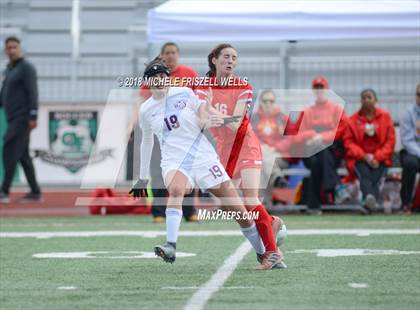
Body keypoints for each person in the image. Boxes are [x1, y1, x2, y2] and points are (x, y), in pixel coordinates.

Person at [130, 58, 285, 269]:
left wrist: (220, 118)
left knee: (239, 212)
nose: (160, 81)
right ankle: (171, 245)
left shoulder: (184, 93)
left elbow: (204, 113)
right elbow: (146, 142)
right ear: (148, 82)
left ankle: (264, 253)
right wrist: (142, 177)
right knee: (176, 189)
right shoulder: (146, 110)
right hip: (174, 160)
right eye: (155, 78)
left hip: (202, 156)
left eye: (163, 77)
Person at [196, 43, 285, 269]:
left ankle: (272, 252)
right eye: (226, 56)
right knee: (229, 206)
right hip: (224, 148)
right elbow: (200, 120)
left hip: (245, 143)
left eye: (234, 58)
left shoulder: (243, 86)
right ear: (214, 60)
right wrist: (205, 112)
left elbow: (236, 124)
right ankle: (271, 223)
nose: (231, 61)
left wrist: (210, 111)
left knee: (250, 199)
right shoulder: (203, 85)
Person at [129, 42, 199, 223]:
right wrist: (132, 126)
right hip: (160, 132)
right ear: (162, 55)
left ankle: (189, 210)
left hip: (184, 133)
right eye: (167, 53)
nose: (171, 55)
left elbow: (199, 100)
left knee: (188, 169)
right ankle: (159, 212)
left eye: (174, 52)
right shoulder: (152, 75)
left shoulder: (189, 75)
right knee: (158, 170)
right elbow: (142, 104)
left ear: (178, 54)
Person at [294, 76, 349, 213]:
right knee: (319, 155)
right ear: (313, 91)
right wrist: (313, 135)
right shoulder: (307, 111)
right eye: (316, 88)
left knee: (317, 161)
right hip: (311, 150)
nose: (319, 91)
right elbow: (298, 134)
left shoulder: (336, 109)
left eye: (321, 87)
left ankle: (313, 205)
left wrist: (322, 137)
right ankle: (336, 187)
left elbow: (343, 129)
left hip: (331, 152)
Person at [0, 36, 41, 203]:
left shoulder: (26, 68)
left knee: (9, 150)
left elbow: (33, 92)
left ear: (20, 48)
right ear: (5, 50)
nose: (11, 50)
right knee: (23, 156)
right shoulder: (9, 69)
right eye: (9, 48)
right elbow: (3, 94)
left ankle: (4, 190)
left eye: (14, 47)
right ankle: (35, 192)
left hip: (22, 118)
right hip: (12, 118)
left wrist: (33, 115)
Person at [343, 89, 395, 210]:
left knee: (375, 178)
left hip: (381, 159)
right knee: (364, 176)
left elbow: (390, 141)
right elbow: (348, 142)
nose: (366, 100)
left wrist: (377, 157)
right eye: (364, 98)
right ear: (360, 101)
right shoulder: (352, 120)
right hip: (359, 159)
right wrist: (364, 156)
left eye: (369, 97)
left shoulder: (385, 117)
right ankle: (370, 200)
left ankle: (368, 203)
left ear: (375, 100)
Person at [252, 89, 291, 208]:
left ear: (275, 103)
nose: (268, 103)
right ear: (260, 103)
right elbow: (249, 139)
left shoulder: (283, 118)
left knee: (262, 159)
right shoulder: (253, 119)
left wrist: (273, 147)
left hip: (279, 156)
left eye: (271, 101)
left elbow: (291, 140)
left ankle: (264, 206)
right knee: (262, 157)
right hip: (260, 156)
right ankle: (276, 177)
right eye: (265, 101)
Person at [399, 84, 420, 212]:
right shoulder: (408, 113)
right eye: (419, 94)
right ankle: (406, 203)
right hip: (412, 151)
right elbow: (407, 140)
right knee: (410, 164)